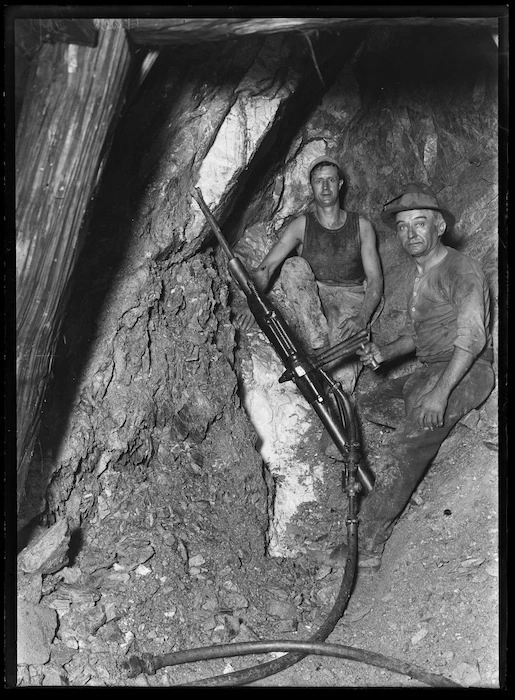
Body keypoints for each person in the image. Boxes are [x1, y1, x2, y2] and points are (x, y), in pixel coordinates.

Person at [332, 182, 495, 570]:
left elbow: (471, 339)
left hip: (468, 370)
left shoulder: (460, 269)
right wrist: (384, 352)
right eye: (403, 227)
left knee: (400, 449)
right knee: (368, 403)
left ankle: (367, 545)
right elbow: (418, 335)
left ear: (439, 227)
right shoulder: (421, 275)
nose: (410, 234)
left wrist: (439, 395)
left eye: (419, 224)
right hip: (430, 368)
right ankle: (427, 429)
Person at [236, 155, 384, 395]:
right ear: (311, 186)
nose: (325, 187)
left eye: (330, 180)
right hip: (314, 298)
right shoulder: (301, 226)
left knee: (342, 378)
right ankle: (318, 345)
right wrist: (253, 302)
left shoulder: (362, 226)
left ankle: (336, 393)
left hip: (351, 299)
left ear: (340, 184)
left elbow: (375, 279)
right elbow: (267, 267)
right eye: (318, 181)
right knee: (292, 265)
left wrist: (363, 317)